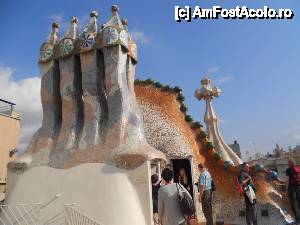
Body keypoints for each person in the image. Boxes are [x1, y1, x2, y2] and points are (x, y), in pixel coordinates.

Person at [285, 158, 300, 223]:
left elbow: (287, 180)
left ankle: (298, 219)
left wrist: (286, 189)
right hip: (299, 187)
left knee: (293, 204)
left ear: (289, 163)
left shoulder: (288, 170)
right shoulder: (298, 168)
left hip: (292, 188)